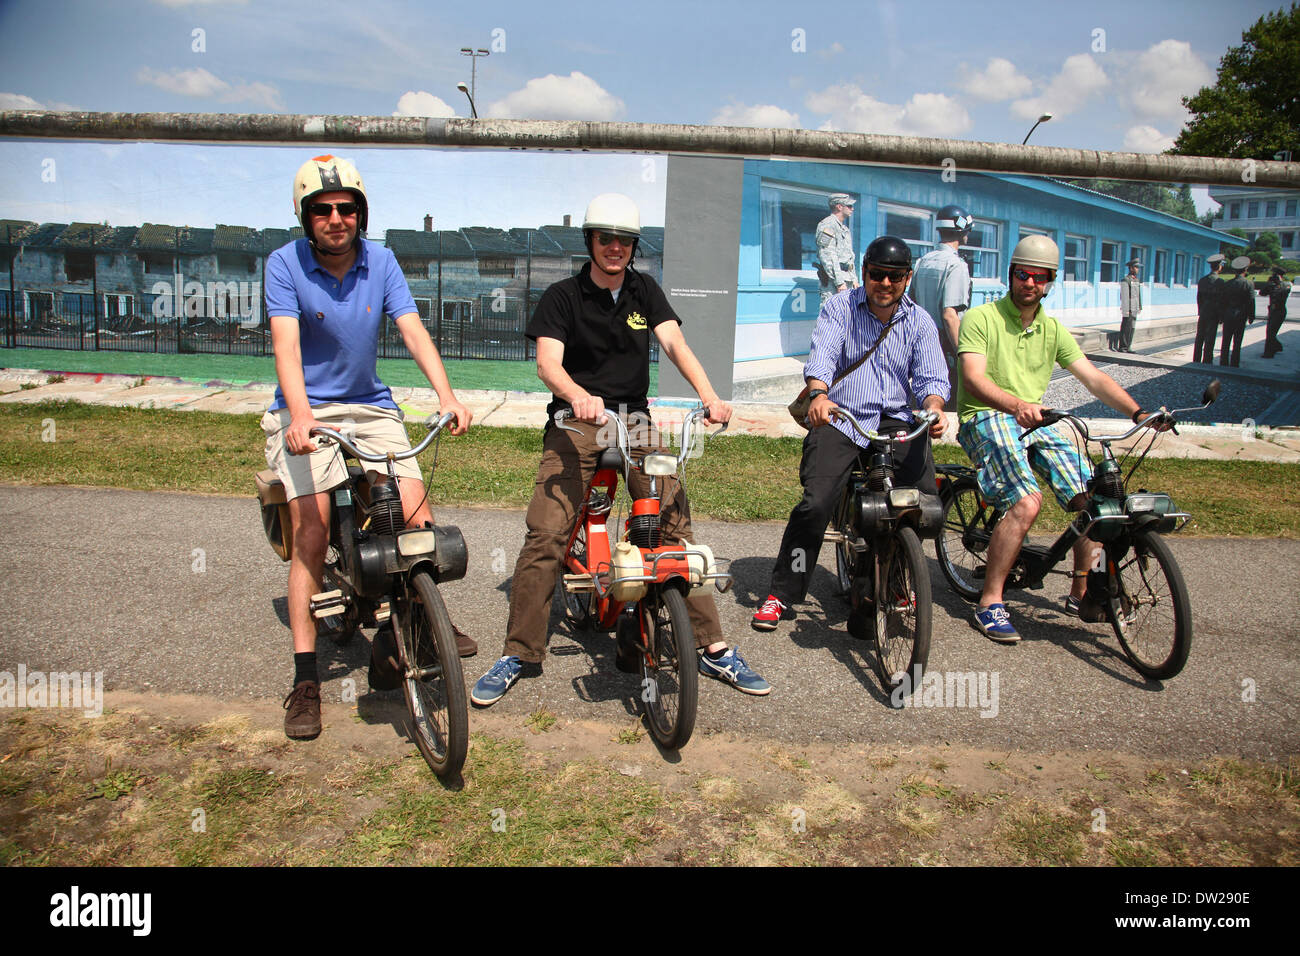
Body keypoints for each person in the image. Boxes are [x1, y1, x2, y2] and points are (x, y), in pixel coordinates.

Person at [471, 193, 771, 706]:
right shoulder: (562, 295)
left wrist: (709, 395)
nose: (615, 248)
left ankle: (713, 647)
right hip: (576, 420)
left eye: (625, 241)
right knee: (547, 533)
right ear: (590, 242)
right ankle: (519, 653)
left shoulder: (644, 289)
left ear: (634, 247)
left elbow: (675, 344)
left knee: (675, 523)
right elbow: (548, 363)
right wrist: (577, 396)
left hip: (632, 419)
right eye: (605, 239)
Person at [262, 154, 474, 740]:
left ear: (361, 214)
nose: (336, 219)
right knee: (312, 526)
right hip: (307, 408)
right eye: (323, 210)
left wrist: (447, 395)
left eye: (347, 209)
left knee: (416, 515)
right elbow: (285, 346)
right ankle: (306, 680)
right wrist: (299, 416)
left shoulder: (381, 261)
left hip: (372, 405)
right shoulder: (284, 264)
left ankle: (410, 626)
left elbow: (411, 329)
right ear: (306, 216)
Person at [955, 235, 1165, 643]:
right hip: (987, 416)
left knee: (1097, 501)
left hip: (1035, 418)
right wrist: (1017, 405)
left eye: (1039, 276)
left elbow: (1094, 378)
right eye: (1022, 274)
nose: (1029, 282)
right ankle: (990, 603)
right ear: (1010, 274)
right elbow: (973, 379)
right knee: (1026, 501)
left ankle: (1082, 592)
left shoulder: (1052, 329)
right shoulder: (981, 318)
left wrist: (1139, 413)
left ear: (1051, 280)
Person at [751, 236, 948, 631]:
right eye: (877, 275)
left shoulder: (920, 321)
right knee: (816, 503)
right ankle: (782, 593)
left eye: (895, 277)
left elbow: (931, 377)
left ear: (907, 278)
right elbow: (822, 355)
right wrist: (820, 395)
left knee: (923, 506)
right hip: (840, 417)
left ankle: (892, 580)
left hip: (893, 420)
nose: (885, 284)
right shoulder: (840, 308)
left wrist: (934, 408)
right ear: (864, 272)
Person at [909, 203, 974, 406]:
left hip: (922, 341)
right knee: (950, 401)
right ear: (963, 231)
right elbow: (949, 315)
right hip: (946, 345)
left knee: (925, 397)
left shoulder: (922, 261)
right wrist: (963, 355)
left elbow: (912, 304)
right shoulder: (957, 265)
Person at [816, 193, 858, 305]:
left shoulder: (844, 229)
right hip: (833, 283)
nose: (852, 209)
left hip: (846, 280)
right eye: (849, 206)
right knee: (830, 317)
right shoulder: (827, 225)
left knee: (845, 316)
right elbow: (828, 255)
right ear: (839, 206)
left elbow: (849, 257)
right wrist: (839, 282)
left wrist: (854, 278)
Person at [1219, 255, 1254, 367]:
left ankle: (1223, 362)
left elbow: (1223, 301)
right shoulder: (1248, 283)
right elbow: (1251, 301)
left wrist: (1221, 315)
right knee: (1237, 342)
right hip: (1241, 315)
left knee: (1226, 341)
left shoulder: (1228, 283)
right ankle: (1234, 364)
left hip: (1228, 314)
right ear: (1246, 269)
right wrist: (1251, 316)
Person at [1193, 253, 1226, 364]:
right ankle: (1207, 361)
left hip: (1203, 312)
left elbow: (1199, 298)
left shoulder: (1202, 280)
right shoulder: (1220, 282)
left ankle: (1196, 360)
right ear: (1220, 266)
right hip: (1214, 313)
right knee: (1210, 339)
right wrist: (1221, 316)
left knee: (1199, 337)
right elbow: (1222, 301)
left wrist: (1200, 310)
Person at [1116, 258, 1142, 353]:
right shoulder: (1126, 280)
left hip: (1134, 307)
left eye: (1138, 267)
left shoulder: (1136, 280)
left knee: (1132, 327)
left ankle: (1128, 346)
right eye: (1136, 267)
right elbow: (1124, 295)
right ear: (1131, 268)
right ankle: (1122, 347)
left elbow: (1138, 294)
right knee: (1126, 327)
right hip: (1128, 307)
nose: (1137, 269)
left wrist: (1139, 306)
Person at [1263, 267, 1289, 359]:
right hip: (1273, 311)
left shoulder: (1285, 285)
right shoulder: (1273, 285)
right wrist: (1268, 284)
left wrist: (1275, 284)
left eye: (1274, 275)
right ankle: (1276, 347)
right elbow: (1262, 293)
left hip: (1279, 311)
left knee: (1271, 332)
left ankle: (1269, 353)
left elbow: (1279, 293)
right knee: (1270, 332)